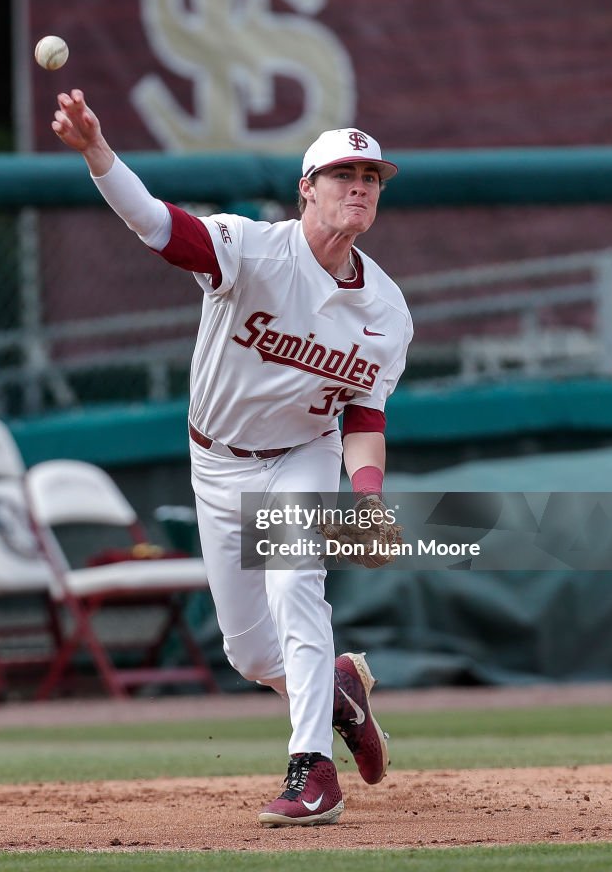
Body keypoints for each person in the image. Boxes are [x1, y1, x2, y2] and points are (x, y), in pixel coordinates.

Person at [51, 89, 413, 827]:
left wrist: (369, 495)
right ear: (305, 189)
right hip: (216, 459)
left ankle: (312, 772)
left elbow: (364, 412)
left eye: (371, 179)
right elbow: (156, 224)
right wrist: (98, 154)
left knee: (295, 588)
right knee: (250, 654)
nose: (359, 188)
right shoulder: (249, 249)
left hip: (301, 455)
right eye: (343, 175)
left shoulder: (386, 309)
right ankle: (340, 693)